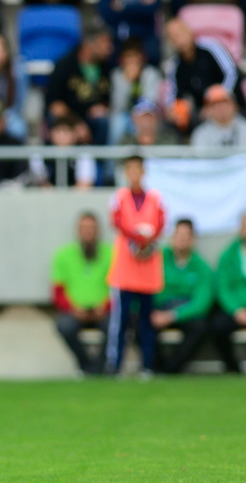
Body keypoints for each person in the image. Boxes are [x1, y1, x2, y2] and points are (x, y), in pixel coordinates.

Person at [105, 155, 165, 375]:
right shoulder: (119, 197)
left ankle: (148, 365)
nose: (134, 174)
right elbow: (117, 222)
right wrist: (136, 239)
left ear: (143, 171)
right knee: (120, 321)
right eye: (129, 169)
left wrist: (146, 242)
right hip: (125, 269)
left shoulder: (155, 198)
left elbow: (160, 223)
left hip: (148, 268)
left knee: (146, 321)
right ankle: (115, 365)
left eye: (137, 169)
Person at [51, 212, 113, 374]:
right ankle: (86, 365)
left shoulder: (112, 254)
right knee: (64, 326)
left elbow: (118, 289)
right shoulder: (64, 255)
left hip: (103, 312)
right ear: (77, 230)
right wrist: (74, 310)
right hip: (74, 312)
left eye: (91, 228)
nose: (88, 232)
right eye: (84, 228)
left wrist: (104, 307)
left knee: (115, 326)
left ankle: (99, 368)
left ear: (98, 230)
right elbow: (58, 292)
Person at [151, 219, 213, 374]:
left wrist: (172, 315)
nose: (181, 239)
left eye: (186, 235)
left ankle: (172, 368)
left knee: (200, 327)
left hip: (185, 311)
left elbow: (201, 303)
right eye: (178, 234)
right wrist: (154, 312)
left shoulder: (202, 267)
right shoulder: (157, 259)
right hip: (160, 309)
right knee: (142, 322)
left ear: (193, 240)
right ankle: (154, 366)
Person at [163, 18, 245, 133]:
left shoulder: (210, 46)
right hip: (202, 115)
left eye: (180, 33)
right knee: (169, 124)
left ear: (189, 31)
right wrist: (174, 109)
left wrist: (216, 99)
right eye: (172, 36)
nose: (178, 38)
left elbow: (232, 73)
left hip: (230, 106)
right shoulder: (175, 66)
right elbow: (172, 97)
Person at [46, 25, 114, 145]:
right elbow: (55, 105)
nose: (109, 48)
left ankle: (98, 157)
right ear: (90, 44)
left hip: (94, 121)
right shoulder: (64, 66)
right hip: (69, 119)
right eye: (104, 43)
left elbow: (110, 99)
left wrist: (103, 107)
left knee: (105, 120)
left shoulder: (107, 68)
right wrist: (76, 123)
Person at [210, 213, 246, 374]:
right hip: (235, 309)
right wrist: (236, 310)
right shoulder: (228, 255)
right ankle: (232, 366)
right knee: (218, 326)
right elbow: (223, 288)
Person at [109, 40, 163, 145]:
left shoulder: (151, 73)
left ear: (142, 58)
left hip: (146, 115)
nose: (132, 60)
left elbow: (150, 103)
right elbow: (118, 106)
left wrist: (138, 116)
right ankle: (113, 155)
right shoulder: (117, 75)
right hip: (126, 116)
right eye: (128, 56)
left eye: (135, 56)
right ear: (122, 59)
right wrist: (128, 82)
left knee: (146, 122)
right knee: (118, 122)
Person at [99, 0, 161, 66]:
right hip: (117, 34)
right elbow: (106, 13)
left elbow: (151, 9)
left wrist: (122, 7)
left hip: (146, 32)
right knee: (108, 53)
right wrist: (140, 5)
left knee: (153, 54)